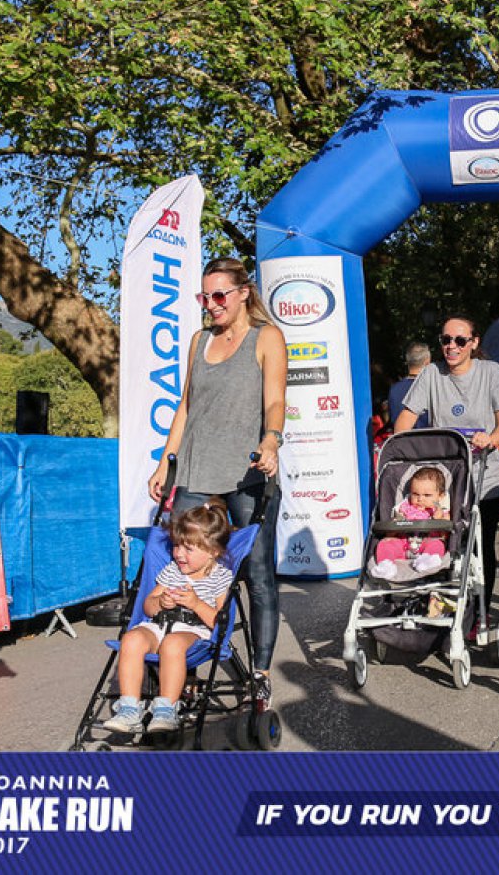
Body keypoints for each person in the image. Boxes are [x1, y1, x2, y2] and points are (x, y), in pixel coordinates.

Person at [149, 257, 286, 707]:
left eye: (219, 295)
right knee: (181, 565)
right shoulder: (198, 341)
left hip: (248, 473)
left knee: (257, 573)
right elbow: (186, 406)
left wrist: (271, 440)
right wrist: (165, 464)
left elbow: (275, 401)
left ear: (244, 293)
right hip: (195, 468)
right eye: (204, 297)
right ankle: (183, 671)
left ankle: (260, 672)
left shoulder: (266, 337)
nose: (211, 305)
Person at [393, 314, 499, 625]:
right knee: (441, 543)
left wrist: (491, 439)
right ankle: (441, 605)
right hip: (445, 481)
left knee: (480, 546)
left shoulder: (491, 373)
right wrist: (406, 448)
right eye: (446, 340)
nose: (452, 346)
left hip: (485, 476)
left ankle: (480, 612)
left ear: (473, 343)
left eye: (460, 340)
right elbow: (405, 419)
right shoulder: (431, 373)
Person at [104, 501, 235, 734]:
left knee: (172, 644)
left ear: (213, 552)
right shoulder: (173, 570)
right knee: (131, 639)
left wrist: (196, 604)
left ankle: (166, 708)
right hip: (160, 625)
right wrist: (160, 602)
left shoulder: (220, 577)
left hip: (194, 631)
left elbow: (220, 622)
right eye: (176, 546)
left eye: (188, 549)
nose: (179, 554)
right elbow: (148, 606)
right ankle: (129, 708)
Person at [374, 466, 450, 578]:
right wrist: (396, 524)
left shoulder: (441, 511)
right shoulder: (404, 507)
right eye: (415, 494)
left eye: (427, 495)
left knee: (437, 544)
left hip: (427, 541)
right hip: (403, 542)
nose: (420, 499)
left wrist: (440, 519)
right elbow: (391, 532)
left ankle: (427, 560)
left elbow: (446, 534)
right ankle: (386, 565)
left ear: (440, 496)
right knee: (384, 543)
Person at [388, 342, 432, 430]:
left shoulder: (394, 389)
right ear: (427, 362)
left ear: (408, 361)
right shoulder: (431, 387)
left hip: (401, 436)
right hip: (429, 437)